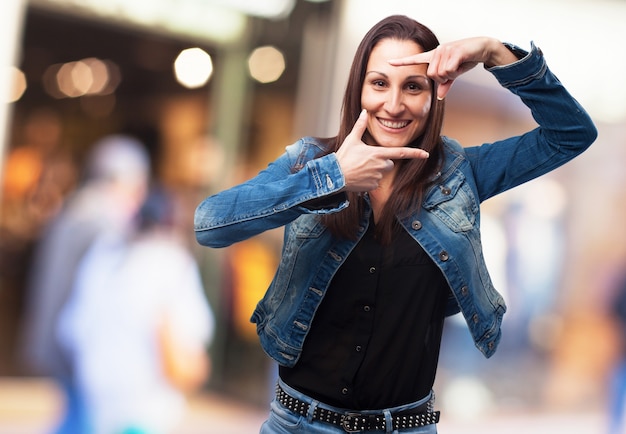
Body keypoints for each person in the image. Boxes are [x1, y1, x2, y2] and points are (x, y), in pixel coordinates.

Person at [194, 15, 597, 434]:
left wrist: (496, 53)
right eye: (380, 83)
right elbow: (210, 224)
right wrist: (332, 179)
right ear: (359, 89)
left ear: (435, 94)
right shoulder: (310, 162)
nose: (394, 104)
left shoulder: (463, 175)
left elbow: (570, 133)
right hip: (298, 424)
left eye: (413, 86)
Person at [19, 135, 151, 434]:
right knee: (82, 420)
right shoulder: (105, 219)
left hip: (61, 339)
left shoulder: (75, 209)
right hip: (79, 346)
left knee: (76, 415)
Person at [56, 187, 215, 434]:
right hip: (146, 400)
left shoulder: (103, 257)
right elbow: (194, 331)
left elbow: (72, 328)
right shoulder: (172, 263)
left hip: (96, 394)